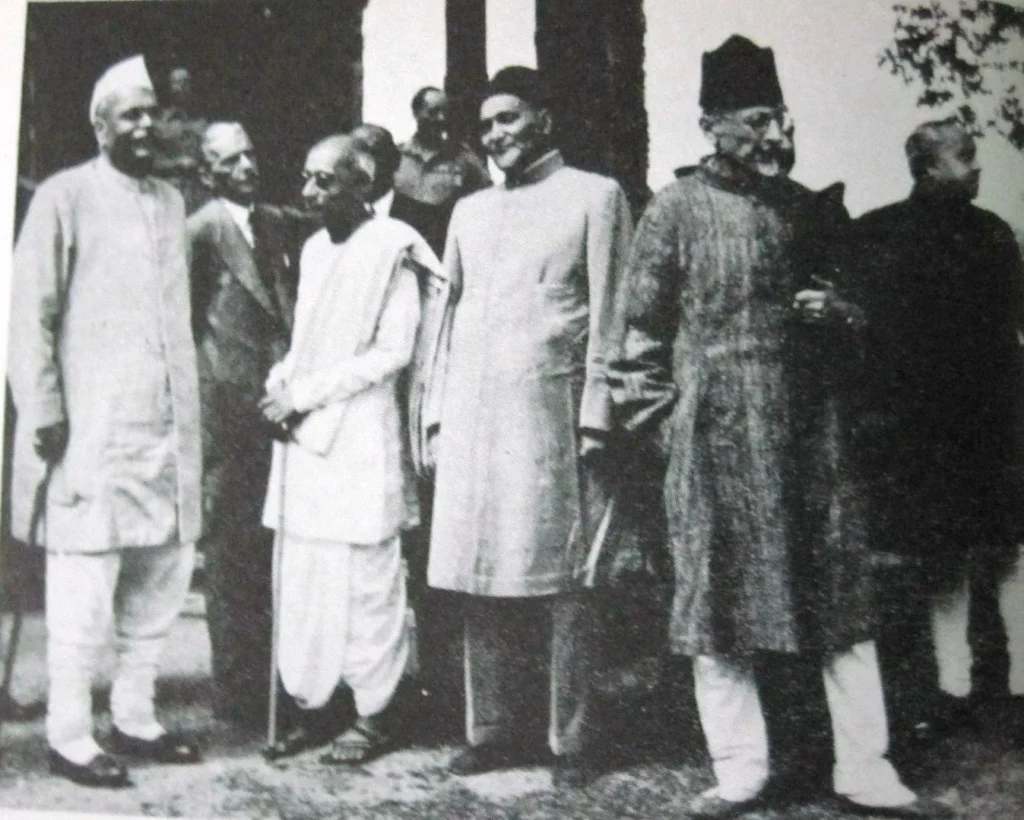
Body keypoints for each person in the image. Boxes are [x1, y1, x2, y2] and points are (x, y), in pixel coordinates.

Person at [607, 36, 955, 819]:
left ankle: (865, 769)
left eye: (782, 120)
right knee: (718, 615)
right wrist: (674, 431)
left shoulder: (810, 211)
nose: (775, 137)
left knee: (841, 603)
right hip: (713, 448)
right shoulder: (673, 212)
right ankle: (740, 773)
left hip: (811, 441)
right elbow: (635, 346)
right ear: (711, 126)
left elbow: (865, 323)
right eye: (758, 120)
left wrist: (842, 315)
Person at [425, 66, 633, 787]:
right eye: (486, 126)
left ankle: (571, 739)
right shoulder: (469, 212)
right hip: (478, 421)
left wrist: (600, 417)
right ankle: (491, 731)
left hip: (554, 419)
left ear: (544, 118)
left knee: (565, 583)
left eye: (509, 119)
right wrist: (435, 419)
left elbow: (611, 312)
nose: (496, 135)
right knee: (482, 573)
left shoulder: (595, 196)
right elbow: (443, 322)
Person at [8, 55, 203, 788]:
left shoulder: (172, 201)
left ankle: (135, 716)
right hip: (91, 431)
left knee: (158, 581)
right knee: (85, 588)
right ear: (101, 125)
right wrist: (47, 409)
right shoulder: (64, 196)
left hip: (165, 430)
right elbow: (30, 316)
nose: (147, 124)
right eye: (132, 114)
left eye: (153, 111)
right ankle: (69, 735)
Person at [259, 135, 440, 765]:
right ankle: (319, 705)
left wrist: (304, 393)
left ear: (362, 185)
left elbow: (392, 353)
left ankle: (377, 712)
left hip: (361, 433)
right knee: (307, 575)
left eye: (325, 182)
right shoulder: (311, 249)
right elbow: (307, 338)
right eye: (306, 179)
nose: (309, 194)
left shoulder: (395, 247)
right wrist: (282, 380)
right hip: (306, 437)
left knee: (366, 578)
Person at [854, 117, 1024, 747]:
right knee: (944, 555)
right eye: (965, 157)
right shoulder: (884, 234)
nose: (976, 167)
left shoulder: (995, 233)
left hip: (997, 415)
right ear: (927, 167)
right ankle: (952, 690)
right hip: (927, 424)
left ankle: (1013, 689)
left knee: (1009, 548)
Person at [187, 121, 312, 727]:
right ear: (207, 171)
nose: (245, 167)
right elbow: (185, 320)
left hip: (276, 403)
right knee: (231, 546)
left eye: (250, 153)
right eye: (230, 161)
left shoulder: (275, 221)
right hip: (228, 408)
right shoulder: (201, 230)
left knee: (276, 544)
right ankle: (236, 688)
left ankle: (282, 680)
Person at [393, 86, 490, 256]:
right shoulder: (395, 157)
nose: (441, 118)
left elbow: (488, 201)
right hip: (402, 253)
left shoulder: (464, 159)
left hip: (446, 254)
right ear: (416, 113)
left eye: (445, 112)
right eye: (433, 112)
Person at [153, 65, 209, 214]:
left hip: (201, 192)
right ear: (169, 86)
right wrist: (176, 163)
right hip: (170, 192)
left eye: (185, 82)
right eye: (176, 82)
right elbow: (147, 161)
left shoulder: (202, 121)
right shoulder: (159, 123)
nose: (181, 87)